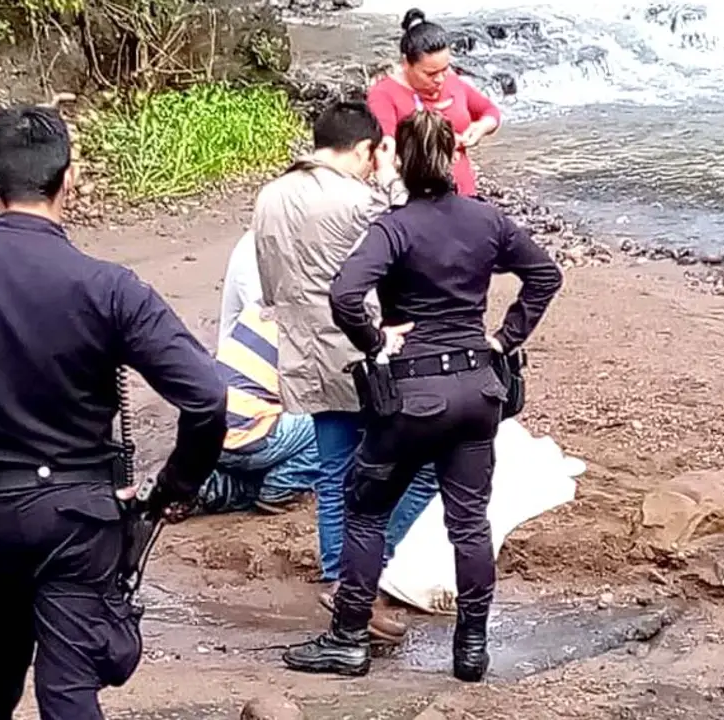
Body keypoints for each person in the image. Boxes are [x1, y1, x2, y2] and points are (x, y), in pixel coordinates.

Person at [0, 104, 227, 720]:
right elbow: (207, 397)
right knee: (70, 693)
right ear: (70, 179)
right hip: (80, 522)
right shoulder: (109, 287)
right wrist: (170, 492)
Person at [280, 109, 562, 681]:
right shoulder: (487, 220)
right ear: (454, 159)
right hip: (479, 390)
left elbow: (345, 293)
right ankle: (472, 648)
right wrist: (504, 340)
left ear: (402, 161)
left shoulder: (395, 227)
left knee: (365, 513)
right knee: (469, 521)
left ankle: (348, 639)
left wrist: (375, 339)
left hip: (412, 393)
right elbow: (546, 275)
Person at [251, 100, 440, 643]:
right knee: (418, 464)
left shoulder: (269, 196)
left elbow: (269, 287)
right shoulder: (361, 201)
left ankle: (342, 578)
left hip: (305, 355)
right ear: (362, 150)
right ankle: (365, 575)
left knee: (334, 475)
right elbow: (394, 275)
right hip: (366, 352)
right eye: (371, 156)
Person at [195, 302, 319, 515]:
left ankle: (219, 486)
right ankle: (282, 485)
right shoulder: (312, 325)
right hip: (247, 439)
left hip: (206, 440)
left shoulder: (258, 306)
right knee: (335, 423)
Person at [366, 8, 503, 197]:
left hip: (463, 193)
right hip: (415, 197)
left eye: (445, 69)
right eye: (430, 74)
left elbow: (490, 111)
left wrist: (480, 127)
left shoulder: (452, 81)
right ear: (406, 63)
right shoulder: (384, 94)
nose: (440, 79)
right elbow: (384, 145)